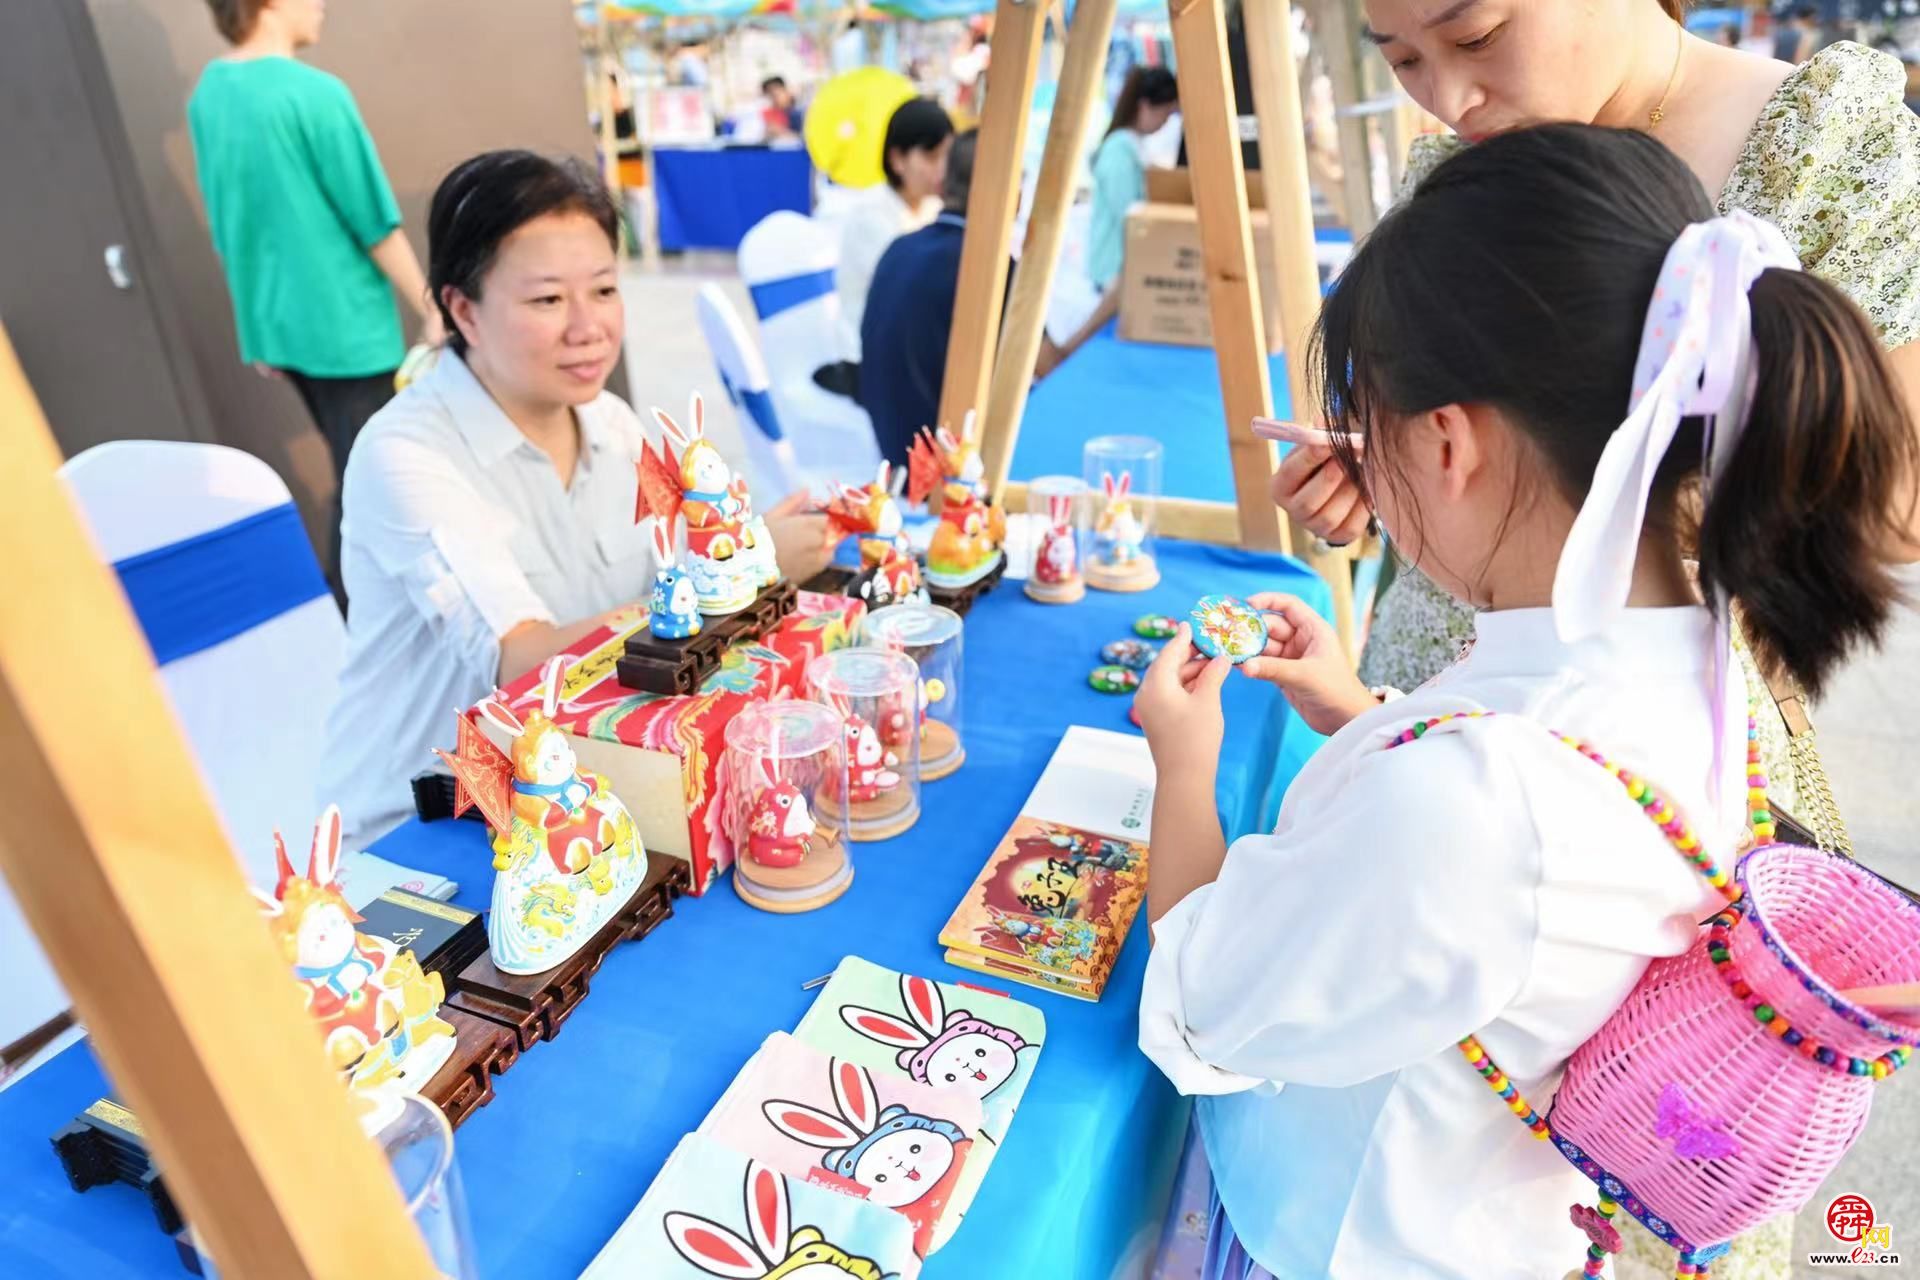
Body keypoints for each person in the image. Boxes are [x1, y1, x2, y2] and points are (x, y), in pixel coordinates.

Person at [1134, 124, 1914, 1280]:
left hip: (1342, 1236)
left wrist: (1183, 765)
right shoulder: (1695, 664)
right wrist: (1363, 713)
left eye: (1374, 431)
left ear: (1449, 440)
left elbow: (1202, 1003)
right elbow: (1533, 860)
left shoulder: (1477, 798)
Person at [1277, 0, 1920, 825]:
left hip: (1632, 765)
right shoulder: (1454, 169)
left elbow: (1890, 507)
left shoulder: (1825, 149)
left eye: (1477, 37)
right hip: (1427, 699)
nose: (1449, 97)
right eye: (1403, 60)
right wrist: (1391, 475)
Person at [319, 152, 835, 849]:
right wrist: (746, 574)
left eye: (603, 290)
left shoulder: (614, 426)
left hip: (588, 795)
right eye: (547, 300)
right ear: (462, 310)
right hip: (433, 826)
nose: (588, 327)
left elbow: (674, 588)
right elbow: (522, 663)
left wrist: (739, 546)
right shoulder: (407, 456)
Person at [189, 0, 442, 586]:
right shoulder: (314, 94)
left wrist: (257, 327)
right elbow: (372, 218)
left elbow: (232, 224)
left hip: (282, 331)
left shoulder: (211, 93)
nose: (323, 6)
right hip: (344, 328)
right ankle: (350, 615)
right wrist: (431, 307)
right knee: (372, 481)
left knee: (356, 467)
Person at [834, 98, 955, 363]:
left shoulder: (933, 208)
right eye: (932, 156)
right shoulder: (870, 216)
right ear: (897, 159)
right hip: (866, 358)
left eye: (948, 156)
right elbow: (912, 295)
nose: (943, 169)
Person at [1088, 66, 1179, 292]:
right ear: (1145, 105)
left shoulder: (1130, 147)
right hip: (1114, 273)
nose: (1166, 123)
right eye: (1165, 114)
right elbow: (1129, 214)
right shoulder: (1119, 151)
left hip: (1120, 272)